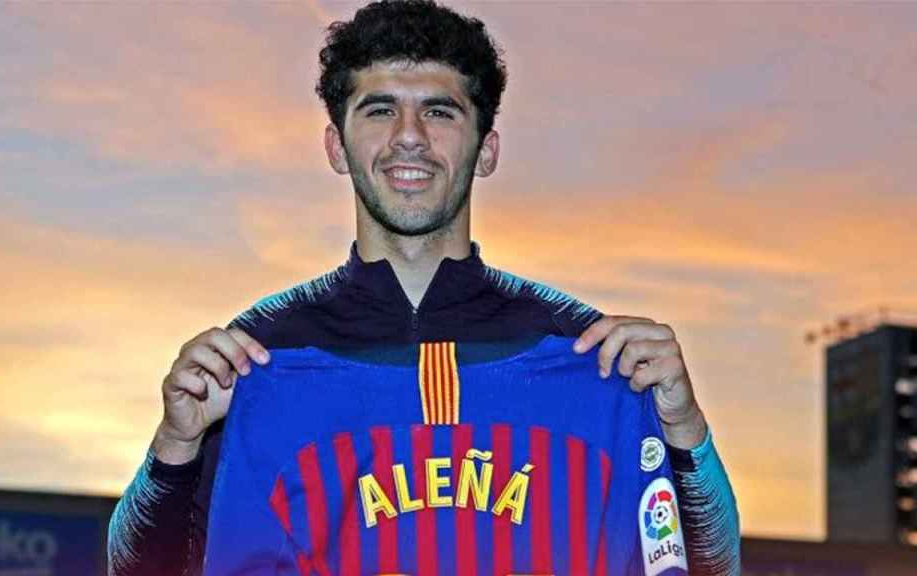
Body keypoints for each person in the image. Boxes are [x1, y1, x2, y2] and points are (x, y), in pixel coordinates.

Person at [108, 1, 739, 575]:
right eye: (380, 109)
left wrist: (683, 430)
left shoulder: (586, 350)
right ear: (336, 145)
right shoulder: (262, 355)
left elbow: (713, 566)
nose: (409, 135)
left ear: (485, 149)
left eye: (439, 112)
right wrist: (176, 446)